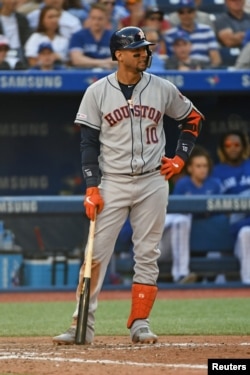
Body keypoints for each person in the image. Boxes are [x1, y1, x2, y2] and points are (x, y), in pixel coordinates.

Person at [53, 26, 204, 345]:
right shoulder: (97, 91)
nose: (144, 54)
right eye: (137, 50)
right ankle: (82, 324)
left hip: (153, 179)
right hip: (113, 181)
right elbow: (88, 143)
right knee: (94, 255)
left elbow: (192, 119)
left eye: (145, 49)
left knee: (148, 253)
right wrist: (92, 186)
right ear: (118, 55)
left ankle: (140, 322)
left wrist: (179, 159)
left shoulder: (162, 87)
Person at [159, 145, 221, 284]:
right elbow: (175, 209)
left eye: (205, 165)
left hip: (208, 234)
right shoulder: (182, 184)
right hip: (181, 233)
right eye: (198, 166)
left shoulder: (215, 184)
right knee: (181, 220)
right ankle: (180, 274)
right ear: (190, 168)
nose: (202, 169)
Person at [212, 130, 250, 284]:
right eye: (228, 145)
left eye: (236, 144)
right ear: (223, 148)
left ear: (243, 147)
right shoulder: (216, 172)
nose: (233, 148)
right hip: (235, 222)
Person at [164, 0, 221, 68]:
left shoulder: (206, 30)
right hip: (179, 69)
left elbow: (216, 59)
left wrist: (206, 71)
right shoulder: (170, 34)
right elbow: (169, 59)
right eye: (182, 12)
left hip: (203, 69)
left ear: (195, 12)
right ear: (178, 14)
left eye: (189, 11)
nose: (186, 15)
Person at [69, 3, 116, 69]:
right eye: (93, 18)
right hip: (83, 73)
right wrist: (103, 63)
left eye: (100, 19)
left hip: (108, 74)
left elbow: (120, 59)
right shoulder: (78, 35)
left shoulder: (114, 37)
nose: (96, 22)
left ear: (106, 19)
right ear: (89, 18)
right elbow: (77, 60)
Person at [0, 0, 32, 66]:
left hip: (20, 52)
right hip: (3, 51)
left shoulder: (22, 19)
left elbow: (27, 39)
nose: (14, 1)